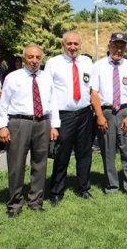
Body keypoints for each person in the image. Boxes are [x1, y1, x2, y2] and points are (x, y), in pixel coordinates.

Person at [0, 45, 60, 218]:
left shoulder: (46, 78)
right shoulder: (13, 77)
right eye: (31, 57)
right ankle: (15, 205)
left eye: (38, 57)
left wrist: (54, 125)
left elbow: (53, 102)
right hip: (19, 123)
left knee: (40, 164)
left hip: (42, 123)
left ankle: (35, 202)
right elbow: (3, 104)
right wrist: (2, 126)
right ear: (24, 58)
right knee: (16, 165)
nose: (34, 61)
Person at [45, 31, 95, 207]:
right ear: (63, 44)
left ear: (80, 44)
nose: (72, 47)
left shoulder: (87, 62)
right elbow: (47, 93)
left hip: (84, 114)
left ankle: (83, 188)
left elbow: (92, 88)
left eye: (76, 44)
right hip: (64, 116)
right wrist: (53, 121)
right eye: (69, 44)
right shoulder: (53, 63)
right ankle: (57, 192)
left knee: (84, 154)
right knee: (62, 155)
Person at [91, 32, 127, 195]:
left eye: (122, 46)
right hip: (106, 113)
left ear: (125, 48)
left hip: (125, 112)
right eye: (115, 46)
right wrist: (99, 115)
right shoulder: (98, 66)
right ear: (109, 46)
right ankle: (111, 187)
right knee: (108, 152)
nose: (118, 50)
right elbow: (94, 93)